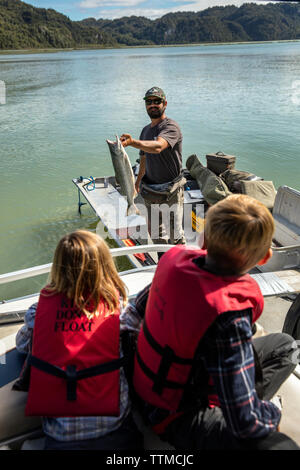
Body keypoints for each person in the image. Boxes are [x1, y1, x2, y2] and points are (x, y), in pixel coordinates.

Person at [124, 194, 300, 450]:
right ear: (264, 257)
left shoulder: (173, 262)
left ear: (203, 239)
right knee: (282, 446)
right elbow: (244, 424)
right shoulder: (228, 316)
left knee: (285, 346)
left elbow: (136, 311)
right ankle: (261, 405)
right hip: (175, 415)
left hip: (144, 385)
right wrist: (270, 416)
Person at [15, 230, 143, 450]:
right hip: (116, 433)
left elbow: (22, 345)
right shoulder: (119, 312)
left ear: (57, 267)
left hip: (60, 439)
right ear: (105, 267)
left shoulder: (38, 313)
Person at [120, 86, 186, 247]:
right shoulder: (145, 131)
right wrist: (137, 181)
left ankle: (182, 268)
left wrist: (133, 142)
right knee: (157, 235)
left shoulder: (170, 127)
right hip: (151, 191)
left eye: (157, 101)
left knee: (176, 236)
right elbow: (144, 158)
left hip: (170, 192)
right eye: (149, 102)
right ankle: (163, 264)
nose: (153, 105)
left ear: (165, 103)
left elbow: (157, 146)